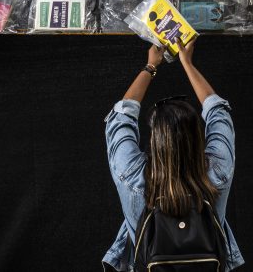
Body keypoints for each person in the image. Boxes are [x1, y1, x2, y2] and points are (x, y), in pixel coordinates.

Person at [103, 40, 243, 271]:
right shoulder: (216, 171)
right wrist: (187, 63)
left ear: (155, 138)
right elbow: (219, 112)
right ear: (197, 135)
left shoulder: (133, 174)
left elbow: (121, 117)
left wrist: (151, 66)